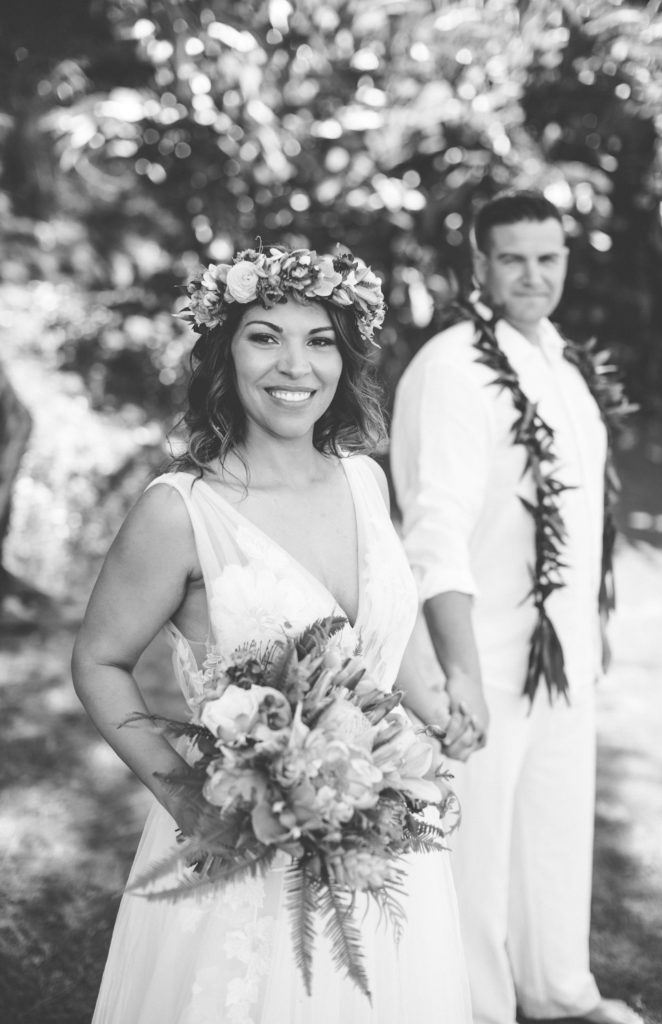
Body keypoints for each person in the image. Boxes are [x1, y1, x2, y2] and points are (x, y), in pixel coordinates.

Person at [72, 244, 473, 1024]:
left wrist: (439, 705)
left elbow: (390, 628)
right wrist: (191, 801)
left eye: (319, 339)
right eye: (265, 335)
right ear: (224, 351)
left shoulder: (365, 476)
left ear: (344, 355)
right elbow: (98, 660)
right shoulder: (180, 510)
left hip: (381, 844)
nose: (295, 365)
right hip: (241, 851)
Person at [391, 191, 641, 1024]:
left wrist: (590, 627)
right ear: (479, 266)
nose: (533, 275)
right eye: (512, 258)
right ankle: (475, 1010)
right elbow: (434, 531)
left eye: (548, 257)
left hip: (561, 652)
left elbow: (578, 519)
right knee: (474, 858)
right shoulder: (454, 368)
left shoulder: (563, 362)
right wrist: (458, 668)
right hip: (485, 655)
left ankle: (558, 992)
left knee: (554, 837)